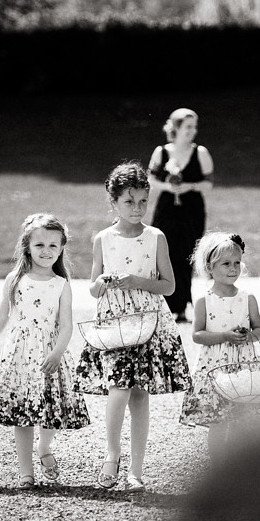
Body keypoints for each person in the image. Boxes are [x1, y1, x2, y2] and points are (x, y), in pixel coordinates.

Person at [74, 161, 192, 492]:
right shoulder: (103, 239)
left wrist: (138, 280)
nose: (137, 208)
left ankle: (136, 471)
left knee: (140, 394)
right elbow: (93, 287)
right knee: (118, 388)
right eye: (129, 202)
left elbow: (169, 286)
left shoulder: (155, 237)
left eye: (142, 201)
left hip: (149, 320)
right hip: (114, 323)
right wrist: (103, 283)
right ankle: (112, 455)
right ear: (113, 203)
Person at [0, 213, 90, 490]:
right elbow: (1, 318)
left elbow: (67, 325)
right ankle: (26, 473)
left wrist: (58, 353)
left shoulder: (61, 284)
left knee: (50, 409)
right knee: (22, 414)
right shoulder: (15, 279)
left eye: (53, 245)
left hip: (50, 354)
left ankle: (44, 447)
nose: (46, 251)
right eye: (39, 245)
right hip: (20, 355)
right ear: (27, 247)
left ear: (61, 248)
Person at [179, 231, 260, 463]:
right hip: (216, 367)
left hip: (243, 367)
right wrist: (224, 335)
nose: (233, 268)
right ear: (210, 267)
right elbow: (197, 335)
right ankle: (218, 464)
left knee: (242, 418)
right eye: (226, 263)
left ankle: (238, 465)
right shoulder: (203, 301)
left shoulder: (247, 298)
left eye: (237, 263)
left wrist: (249, 336)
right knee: (218, 421)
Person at [148, 108, 215, 323]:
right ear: (175, 128)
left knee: (187, 254)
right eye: (188, 127)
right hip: (167, 209)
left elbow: (208, 184)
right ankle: (166, 305)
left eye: (194, 127)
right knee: (165, 254)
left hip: (191, 210)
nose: (192, 131)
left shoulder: (201, 153)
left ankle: (184, 306)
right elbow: (150, 180)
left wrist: (189, 186)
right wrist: (169, 186)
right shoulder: (161, 152)